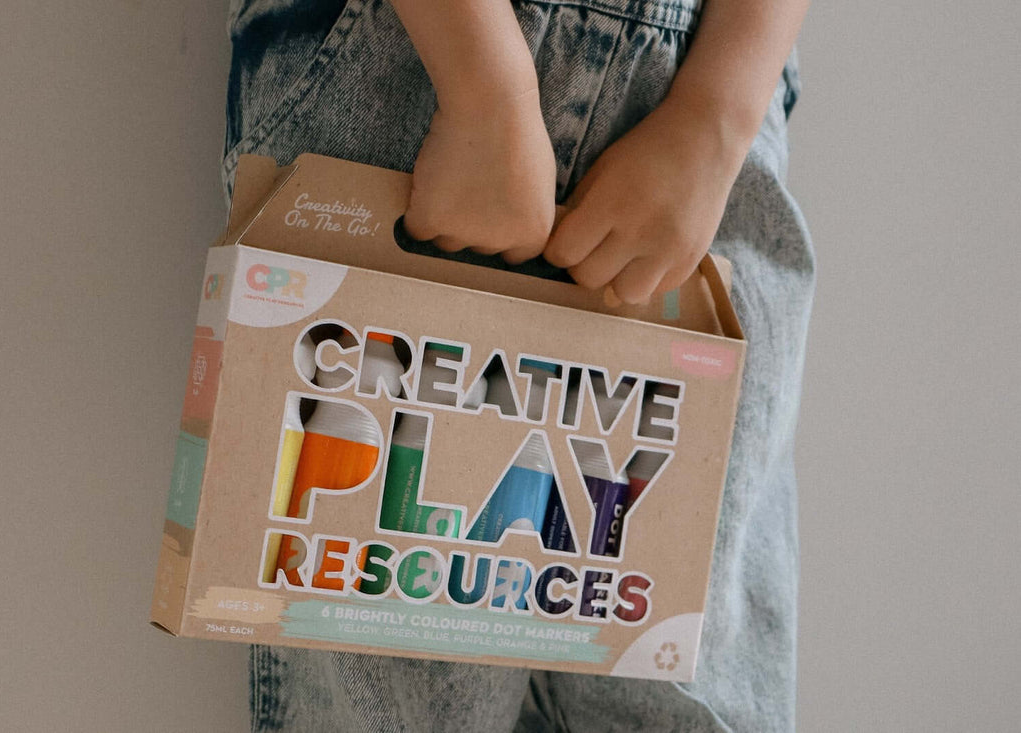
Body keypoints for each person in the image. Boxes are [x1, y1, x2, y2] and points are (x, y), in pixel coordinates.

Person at [223, 0, 815, 729]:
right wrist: (481, 81)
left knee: (682, 682)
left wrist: (717, 112)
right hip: (415, 55)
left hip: (712, 98)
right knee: (397, 676)